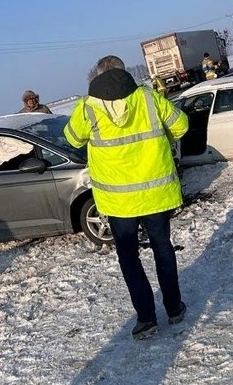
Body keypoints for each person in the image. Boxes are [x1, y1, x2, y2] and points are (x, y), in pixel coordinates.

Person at [64, 55, 189, 340]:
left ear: (98, 76)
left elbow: (71, 139)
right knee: (162, 248)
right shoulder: (148, 98)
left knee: (129, 257)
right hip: (155, 192)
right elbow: (181, 126)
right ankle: (174, 309)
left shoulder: (87, 107)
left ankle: (146, 319)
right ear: (123, 72)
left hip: (118, 201)